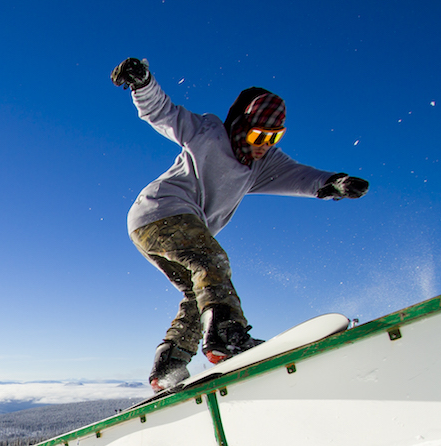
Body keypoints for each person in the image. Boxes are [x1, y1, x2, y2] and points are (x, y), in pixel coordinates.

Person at [111, 57, 368, 391]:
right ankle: (227, 335)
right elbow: (164, 113)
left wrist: (335, 182)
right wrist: (143, 83)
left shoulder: (263, 164)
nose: (263, 147)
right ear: (241, 125)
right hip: (161, 212)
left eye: (274, 138)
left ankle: (171, 360)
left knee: (199, 290)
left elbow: (300, 176)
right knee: (212, 263)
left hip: (153, 231)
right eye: (259, 135)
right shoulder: (208, 133)